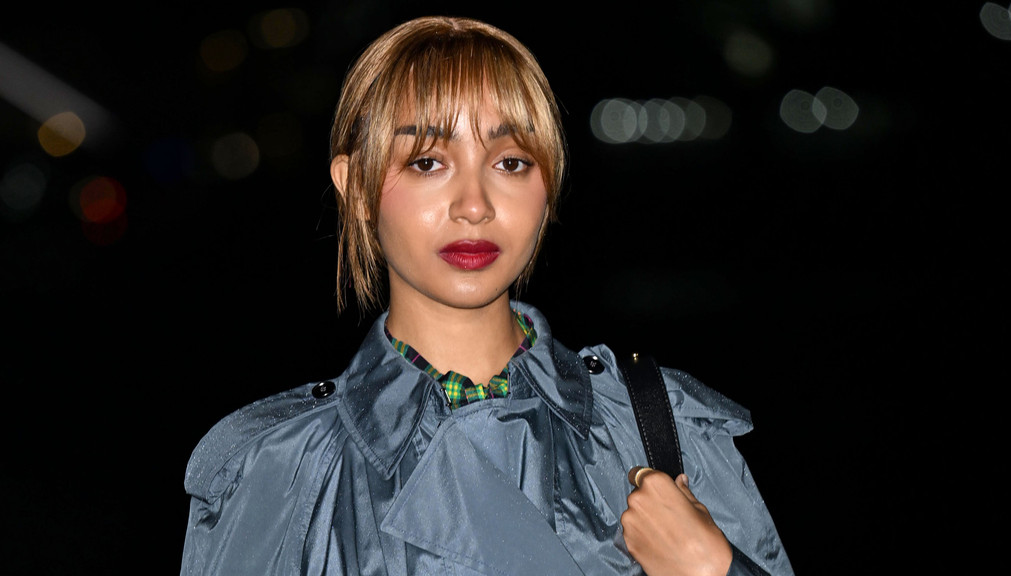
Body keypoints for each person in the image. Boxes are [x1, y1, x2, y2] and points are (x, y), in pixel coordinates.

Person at [180, 15, 794, 576]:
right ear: (356, 189)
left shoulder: (664, 430)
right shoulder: (278, 472)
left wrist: (713, 572)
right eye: (427, 162)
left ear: (548, 187)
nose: (474, 205)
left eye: (510, 162)